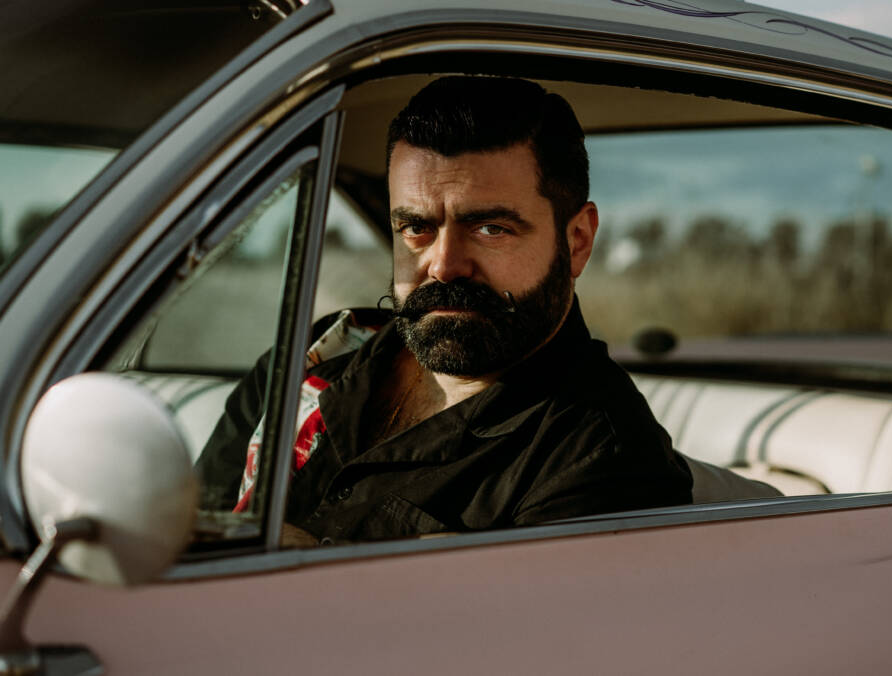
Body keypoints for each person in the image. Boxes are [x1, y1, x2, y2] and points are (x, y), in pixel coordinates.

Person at [197, 76, 697, 544]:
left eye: (491, 229)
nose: (443, 266)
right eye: (416, 228)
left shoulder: (605, 461)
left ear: (577, 241)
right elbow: (194, 525)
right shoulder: (321, 351)